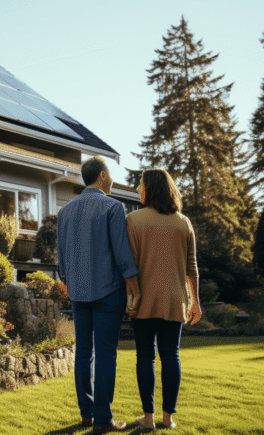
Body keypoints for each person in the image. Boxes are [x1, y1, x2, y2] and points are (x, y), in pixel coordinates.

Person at [57, 156, 141, 434]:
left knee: (83, 353)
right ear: (103, 176)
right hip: (108, 292)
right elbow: (121, 251)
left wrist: (69, 282)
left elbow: (61, 257)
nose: (112, 179)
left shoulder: (65, 211)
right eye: (111, 175)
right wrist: (134, 284)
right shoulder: (113, 206)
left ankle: (87, 415)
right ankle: (103, 420)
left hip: (78, 292)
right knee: (106, 354)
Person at [125, 169, 201, 430]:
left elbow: (129, 265)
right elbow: (192, 268)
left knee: (145, 356)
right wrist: (196, 302)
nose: (137, 189)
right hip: (175, 299)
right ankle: (168, 419)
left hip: (144, 299)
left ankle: (148, 419)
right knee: (171, 355)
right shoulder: (184, 222)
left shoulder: (133, 220)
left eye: (140, 185)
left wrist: (131, 295)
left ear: (151, 189)